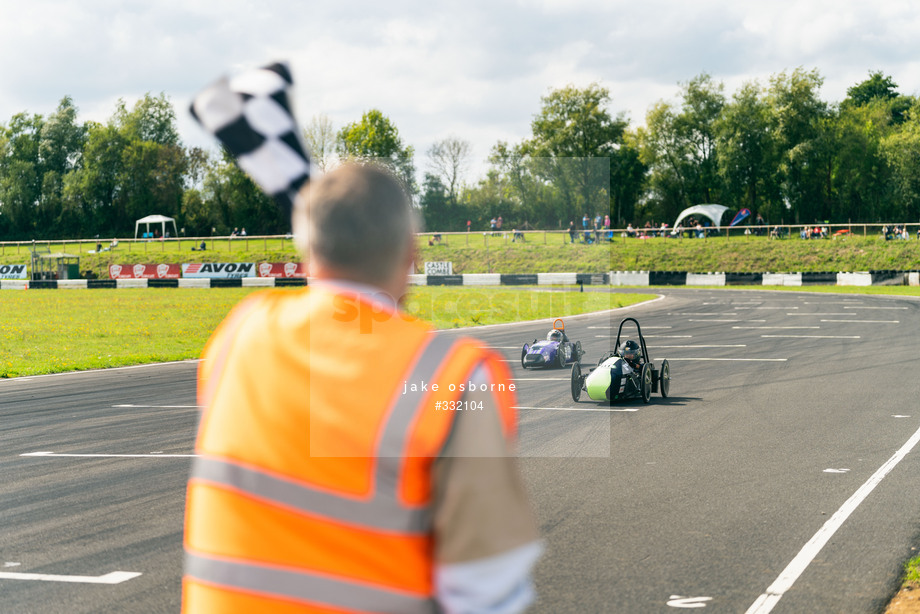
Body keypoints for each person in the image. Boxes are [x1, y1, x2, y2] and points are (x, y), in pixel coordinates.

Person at [183, 163, 541, 614]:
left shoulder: (237, 333)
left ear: (306, 253)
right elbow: (488, 593)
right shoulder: (456, 373)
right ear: (412, 255)